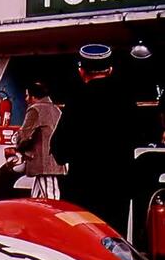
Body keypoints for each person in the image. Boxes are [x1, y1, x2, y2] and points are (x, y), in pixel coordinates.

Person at [51, 44, 137, 235]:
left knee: (85, 241)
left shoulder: (77, 101)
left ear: (81, 72)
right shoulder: (127, 100)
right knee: (114, 241)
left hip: (84, 188)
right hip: (118, 188)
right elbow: (139, 135)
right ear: (110, 70)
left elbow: (59, 149)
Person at [14, 81, 66, 199]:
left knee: (51, 197)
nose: (26, 99)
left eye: (27, 95)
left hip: (44, 162)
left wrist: (18, 146)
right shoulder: (56, 109)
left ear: (33, 97)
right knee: (37, 198)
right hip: (55, 159)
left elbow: (24, 135)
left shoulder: (35, 109)